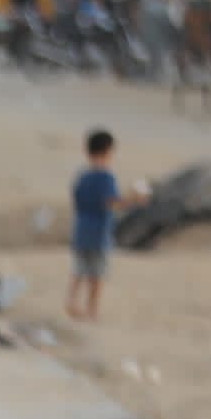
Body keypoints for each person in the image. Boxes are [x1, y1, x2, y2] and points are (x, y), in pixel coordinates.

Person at [67, 129, 148, 321]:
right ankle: (92, 309)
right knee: (97, 273)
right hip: (99, 232)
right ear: (108, 151)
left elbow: (76, 199)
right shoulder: (106, 177)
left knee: (79, 270)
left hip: (81, 229)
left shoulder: (82, 176)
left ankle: (71, 301)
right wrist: (134, 199)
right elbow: (111, 202)